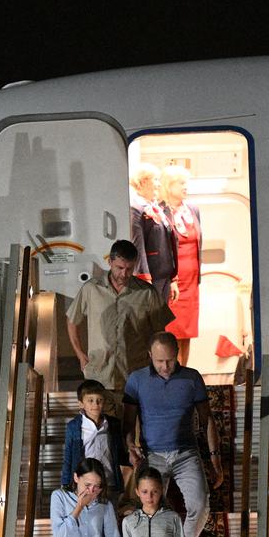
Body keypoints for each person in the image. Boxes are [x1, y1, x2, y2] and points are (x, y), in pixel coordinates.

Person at [124, 331, 222, 537]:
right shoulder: (136, 380)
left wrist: (214, 459)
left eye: (170, 360)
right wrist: (130, 447)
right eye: (159, 361)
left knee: (201, 504)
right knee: (150, 508)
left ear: (177, 355)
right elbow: (128, 421)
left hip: (186, 451)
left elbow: (207, 418)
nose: (165, 366)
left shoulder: (191, 378)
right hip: (153, 453)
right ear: (149, 357)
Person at [67, 238, 173, 401]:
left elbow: (160, 333)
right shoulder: (91, 289)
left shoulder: (147, 292)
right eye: (119, 268)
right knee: (103, 425)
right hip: (99, 374)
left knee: (135, 424)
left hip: (136, 373)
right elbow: (72, 320)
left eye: (129, 269)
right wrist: (80, 354)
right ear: (110, 262)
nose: (124, 274)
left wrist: (158, 364)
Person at [159, 166, 202, 365]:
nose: (186, 187)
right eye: (181, 183)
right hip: (173, 279)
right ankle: (171, 368)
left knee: (188, 330)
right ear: (169, 186)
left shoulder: (192, 209)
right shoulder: (160, 210)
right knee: (172, 329)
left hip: (191, 280)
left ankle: (185, 367)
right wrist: (170, 278)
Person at [61, 379, 131, 493]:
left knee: (109, 510)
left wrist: (132, 458)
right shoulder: (73, 427)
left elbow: (120, 453)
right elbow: (68, 457)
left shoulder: (113, 424)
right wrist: (65, 484)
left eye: (100, 400)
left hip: (109, 482)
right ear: (81, 403)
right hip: (85, 484)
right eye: (90, 400)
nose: (96, 404)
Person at [129, 162, 177, 305]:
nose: (158, 185)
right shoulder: (136, 209)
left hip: (164, 276)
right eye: (155, 180)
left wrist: (173, 279)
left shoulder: (156, 208)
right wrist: (144, 279)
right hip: (151, 277)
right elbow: (137, 246)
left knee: (160, 322)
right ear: (143, 182)